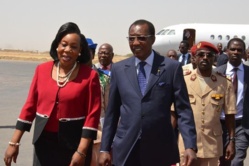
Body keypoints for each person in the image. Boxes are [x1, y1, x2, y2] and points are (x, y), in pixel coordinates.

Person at [98, 19, 197, 166]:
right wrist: (104, 149)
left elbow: (183, 110)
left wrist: (190, 145)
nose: (135, 43)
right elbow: (112, 113)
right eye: (131, 39)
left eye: (141, 38)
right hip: (126, 147)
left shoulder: (171, 68)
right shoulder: (119, 69)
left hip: (159, 148)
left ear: (153, 39)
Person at [4, 22, 101, 166]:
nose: (67, 50)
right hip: (43, 144)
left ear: (80, 50)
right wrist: (14, 142)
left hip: (74, 145)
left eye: (73, 47)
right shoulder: (41, 70)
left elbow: (92, 116)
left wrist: (81, 151)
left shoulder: (90, 76)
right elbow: (29, 107)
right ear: (57, 45)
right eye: (64, 44)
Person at [178, 41, 236, 165]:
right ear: (194, 58)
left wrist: (231, 141)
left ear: (214, 58)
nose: (205, 58)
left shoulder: (224, 83)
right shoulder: (183, 80)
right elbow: (173, 112)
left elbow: (230, 115)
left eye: (209, 55)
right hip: (187, 143)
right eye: (201, 55)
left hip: (212, 144)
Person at [215, 38, 249, 166]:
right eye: (233, 49)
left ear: (244, 53)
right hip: (219, 124)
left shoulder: (248, 73)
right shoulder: (216, 72)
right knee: (222, 161)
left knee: (235, 161)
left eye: (239, 50)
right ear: (227, 51)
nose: (236, 52)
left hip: (241, 125)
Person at [86, 38, 110, 166]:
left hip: (97, 135)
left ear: (92, 54)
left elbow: (108, 110)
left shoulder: (104, 78)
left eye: (87, 51)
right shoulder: (70, 76)